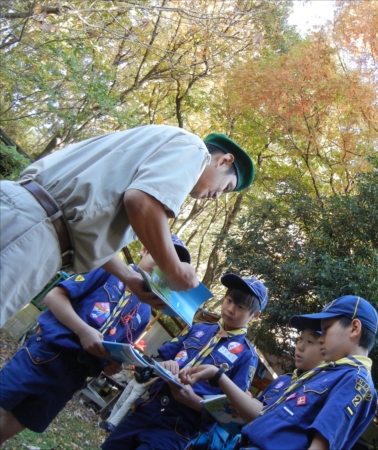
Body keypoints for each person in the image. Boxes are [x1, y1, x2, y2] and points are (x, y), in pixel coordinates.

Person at [0, 126, 255, 327]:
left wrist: (130, 277)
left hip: (29, 219)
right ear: (224, 161)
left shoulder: (155, 142)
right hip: (33, 232)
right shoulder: (194, 150)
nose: (218, 196)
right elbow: (141, 202)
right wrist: (173, 270)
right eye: (227, 187)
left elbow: (84, 231)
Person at [0, 234, 191, 445]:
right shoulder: (107, 270)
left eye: (169, 265)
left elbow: (118, 348)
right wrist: (82, 330)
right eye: (160, 255)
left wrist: (111, 364)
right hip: (46, 355)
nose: (162, 265)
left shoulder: (145, 312)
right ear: (144, 249)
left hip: (72, 378)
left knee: (15, 424)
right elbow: (54, 297)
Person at [101, 274, 269, 450]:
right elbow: (160, 356)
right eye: (229, 300)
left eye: (240, 306)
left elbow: (233, 411)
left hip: (178, 428)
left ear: (255, 315)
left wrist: (193, 401)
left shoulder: (247, 357)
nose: (230, 309)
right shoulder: (199, 328)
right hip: (147, 408)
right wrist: (162, 365)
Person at [223, 295, 378, 450]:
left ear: (354, 329)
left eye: (326, 329)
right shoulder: (325, 374)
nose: (321, 339)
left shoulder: (355, 381)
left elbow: (321, 446)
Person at [181, 327, 325, 449]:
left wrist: (217, 376)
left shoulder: (321, 392)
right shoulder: (283, 380)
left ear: (326, 347)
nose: (300, 346)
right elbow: (249, 418)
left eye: (310, 341)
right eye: (300, 338)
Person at [99, 341, 158, 432]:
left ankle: (112, 424)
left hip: (141, 385)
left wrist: (144, 385)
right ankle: (108, 421)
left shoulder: (161, 367)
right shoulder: (149, 359)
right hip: (135, 380)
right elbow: (137, 366)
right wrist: (135, 375)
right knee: (120, 401)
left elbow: (157, 378)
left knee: (126, 404)